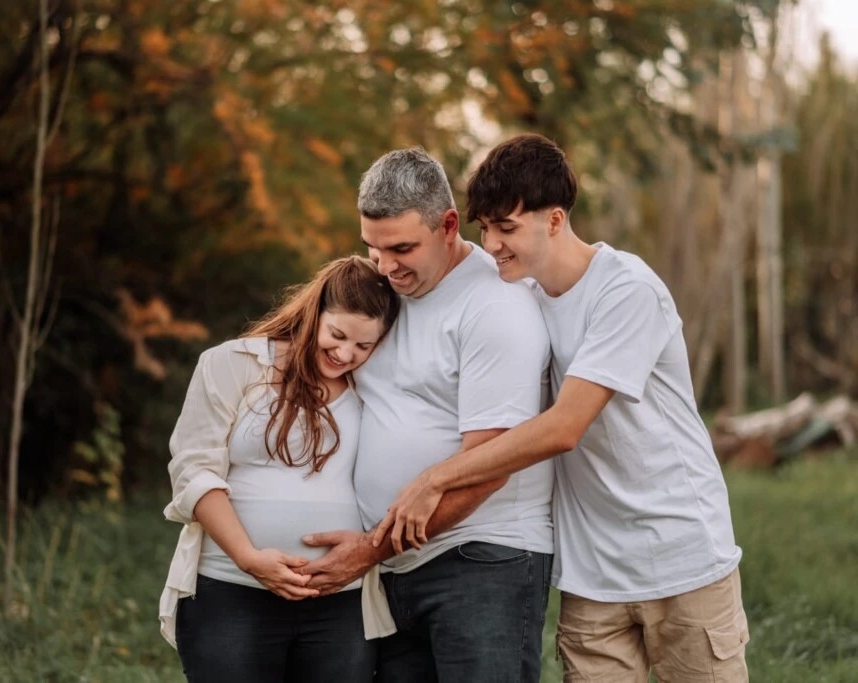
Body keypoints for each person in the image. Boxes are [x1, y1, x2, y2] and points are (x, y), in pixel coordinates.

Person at [375, 134, 749, 682]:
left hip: (681, 559)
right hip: (591, 578)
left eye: (508, 228)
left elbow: (564, 427)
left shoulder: (626, 289)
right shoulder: (522, 297)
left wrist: (435, 479)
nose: (494, 244)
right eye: (486, 229)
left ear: (554, 220)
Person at [298, 147, 555, 682]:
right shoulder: (384, 295)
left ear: (448, 225)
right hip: (396, 568)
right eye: (374, 248)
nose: (386, 266)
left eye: (402, 248)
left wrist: (368, 551)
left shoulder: (494, 307)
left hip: (482, 559)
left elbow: (490, 463)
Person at [158, 255, 400, 682]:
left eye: (364, 346)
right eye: (337, 335)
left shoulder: (373, 387)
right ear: (314, 312)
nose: (345, 354)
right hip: (232, 590)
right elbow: (194, 471)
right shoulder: (233, 363)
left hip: (340, 604)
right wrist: (250, 558)